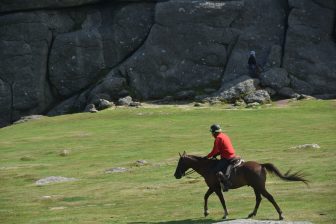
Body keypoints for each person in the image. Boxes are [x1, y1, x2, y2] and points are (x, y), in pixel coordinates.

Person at [204, 124, 236, 191]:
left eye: (212, 132)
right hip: (232, 155)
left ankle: (227, 184)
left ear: (214, 132)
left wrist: (206, 157)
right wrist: (216, 154)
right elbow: (223, 149)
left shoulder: (218, 138)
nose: (212, 134)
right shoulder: (224, 135)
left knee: (216, 170)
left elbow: (214, 151)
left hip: (227, 157)